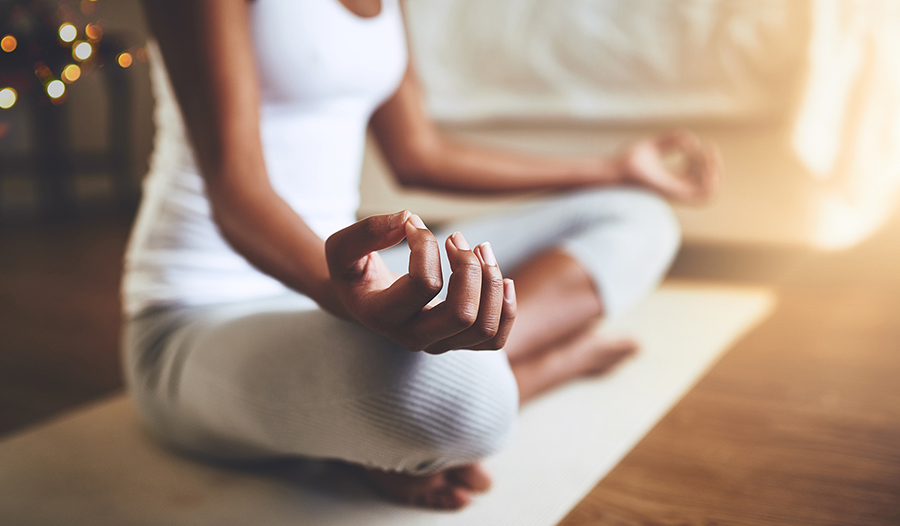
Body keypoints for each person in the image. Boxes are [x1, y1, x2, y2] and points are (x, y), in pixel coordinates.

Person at [124, 0, 720, 511]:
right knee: (470, 404)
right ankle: (540, 364)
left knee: (635, 214)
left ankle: (421, 398)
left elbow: (420, 152)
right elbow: (238, 191)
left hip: (350, 286)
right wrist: (341, 294)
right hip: (199, 315)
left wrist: (611, 168)